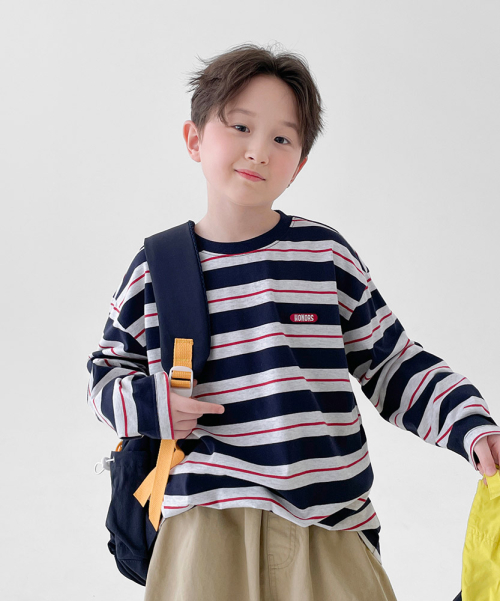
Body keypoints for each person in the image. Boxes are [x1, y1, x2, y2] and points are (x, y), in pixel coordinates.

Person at [87, 42, 500, 601]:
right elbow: (105, 374)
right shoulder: (157, 268)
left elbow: (392, 364)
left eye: (282, 139)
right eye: (240, 126)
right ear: (195, 139)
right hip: (202, 523)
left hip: (329, 521)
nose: (258, 151)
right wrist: (152, 404)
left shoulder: (324, 255)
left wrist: (471, 425)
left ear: (299, 165)